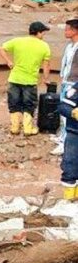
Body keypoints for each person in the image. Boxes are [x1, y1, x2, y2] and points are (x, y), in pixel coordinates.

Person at [0, 22, 52, 136]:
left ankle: (15, 128)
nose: (43, 35)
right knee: (29, 104)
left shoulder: (17, 41)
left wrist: (8, 61)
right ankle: (28, 129)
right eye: (43, 32)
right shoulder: (44, 46)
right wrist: (46, 79)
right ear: (38, 32)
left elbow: (1, 48)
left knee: (14, 103)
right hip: (30, 81)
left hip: (14, 79)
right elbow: (46, 65)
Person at [51, 18, 78, 156]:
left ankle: (66, 144)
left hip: (74, 85)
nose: (65, 32)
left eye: (67, 29)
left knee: (69, 114)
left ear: (74, 31)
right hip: (66, 82)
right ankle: (62, 137)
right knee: (63, 113)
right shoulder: (69, 46)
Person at [59, 70, 78, 201]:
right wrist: (73, 112)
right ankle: (68, 202)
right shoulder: (77, 88)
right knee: (70, 168)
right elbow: (63, 107)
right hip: (75, 134)